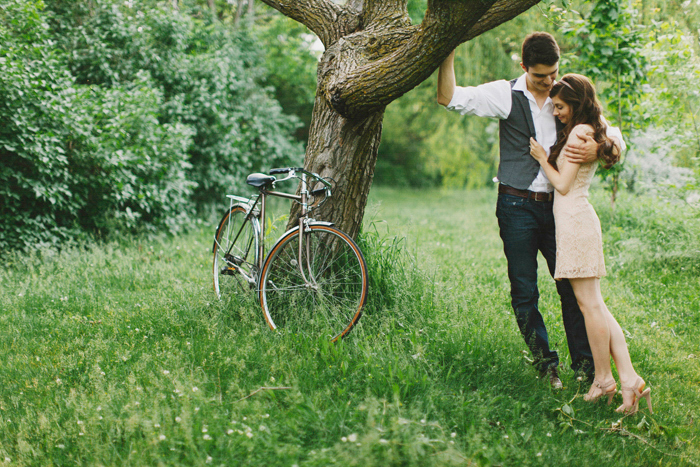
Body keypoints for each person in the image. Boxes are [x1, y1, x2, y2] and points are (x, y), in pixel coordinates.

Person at [437, 32, 624, 389]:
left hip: (558, 209)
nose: (549, 82)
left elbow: (610, 130)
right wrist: (447, 51)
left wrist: (602, 150)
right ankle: (545, 364)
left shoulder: (565, 96)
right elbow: (449, 97)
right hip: (515, 206)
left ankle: (586, 367)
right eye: (541, 76)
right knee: (524, 291)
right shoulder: (505, 94)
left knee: (571, 289)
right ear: (524, 68)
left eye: (554, 73)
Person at [529, 74, 652, 414]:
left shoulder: (580, 133)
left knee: (590, 306)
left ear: (576, 104)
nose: (556, 113)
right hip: (576, 221)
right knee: (594, 304)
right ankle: (627, 379)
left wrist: (541, 157)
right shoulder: (591, 128)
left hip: (575, 220)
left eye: (560, 106)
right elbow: (612, 137)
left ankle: (604, 379)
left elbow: (563, 185)